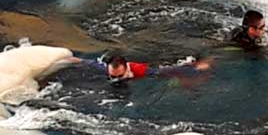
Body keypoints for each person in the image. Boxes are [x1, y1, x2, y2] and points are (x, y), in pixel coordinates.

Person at [83, 54, 211, 84]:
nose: (115, 79)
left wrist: (193, 67)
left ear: (127, 69)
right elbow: (87, 62)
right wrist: (74, 59)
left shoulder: (141, 71)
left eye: (119, 76)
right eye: (113, 76)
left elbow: (167, 71)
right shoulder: (107, 68)